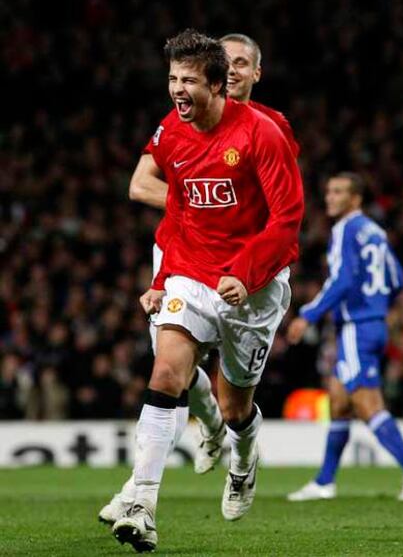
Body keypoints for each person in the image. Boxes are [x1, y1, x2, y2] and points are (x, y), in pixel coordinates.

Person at [111, 29, 303, 552]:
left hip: (253, 286)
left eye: (188, 80)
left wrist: (246, 270)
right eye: (172, 78)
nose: (177, 89)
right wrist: (159, 281)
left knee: (234, 402)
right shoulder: (173, 133)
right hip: (193, 274)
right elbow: (175, 216)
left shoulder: (264, 133)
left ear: (219, 85)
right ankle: (141, 500)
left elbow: (288, 219)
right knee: (166, 368)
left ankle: (242, 460)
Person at [286, 172, 403, 502]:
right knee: (339, 401)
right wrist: (379, 304)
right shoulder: (375, 231)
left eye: (339, 192)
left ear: (355, 199)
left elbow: (341, 280)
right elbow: (397, 277)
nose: (330, 197)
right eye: (328, 190)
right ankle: (324, 482)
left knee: (367, 404)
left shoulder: (346, 228)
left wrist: (308, 315)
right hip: (371, 322)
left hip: (357, 325)